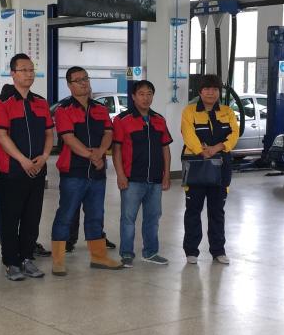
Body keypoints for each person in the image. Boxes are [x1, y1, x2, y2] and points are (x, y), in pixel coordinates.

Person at [50, 66, 121, 275]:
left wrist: (100, 152)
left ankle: (98, 257)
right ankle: (58, 260)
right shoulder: (63, 110)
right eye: (78, 80)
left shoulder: (100, 108)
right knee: (66, 215)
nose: (84, 83)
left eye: (85, 78)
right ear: (69, 85)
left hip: (97, 173)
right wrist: (93, 156)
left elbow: (108, 133)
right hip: (74, 171)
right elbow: (69, 138)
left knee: (96, 215)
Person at [0, 53, 53, 281]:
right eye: (23, 70)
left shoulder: (41, 103)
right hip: (11, 171)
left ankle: (26, 258)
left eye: (31, 69)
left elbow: (49, 133)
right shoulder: (2, 103)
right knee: (10, 218)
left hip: (37, 170)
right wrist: (23, 160)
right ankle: (11, 262)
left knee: (31, 217)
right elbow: (1, 135)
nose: (29, 74)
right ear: (13, 73)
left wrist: (44, 156)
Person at [112, 80, 173, 267]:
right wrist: (120, 175)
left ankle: (151, 252)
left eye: (149, 94)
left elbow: (165, 149)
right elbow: (116, 150)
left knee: (153, 218)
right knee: (128, 218)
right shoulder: (122, 120)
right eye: (141, 94)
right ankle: (127, 254)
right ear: (133, 97)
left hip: (155, 179)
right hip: (132, 179)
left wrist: (166, 175)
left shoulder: (159, 120)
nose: (146, 98)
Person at [181, 74, 240, 265]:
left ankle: (218, 251)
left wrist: (217, 148)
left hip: (221, 168)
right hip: (196, 166)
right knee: (193, 210)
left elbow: (234, 133)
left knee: (217, 211)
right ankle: (191, 251)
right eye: (207, 89)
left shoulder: (227, 112)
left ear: (219, 92)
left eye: (215, 89)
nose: (211, 93)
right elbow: (188, 133)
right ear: (200, 92)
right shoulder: (189, 111)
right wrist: (201, 151)